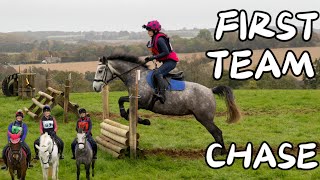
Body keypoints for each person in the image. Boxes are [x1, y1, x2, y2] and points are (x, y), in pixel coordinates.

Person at [142, 20, 180, 103]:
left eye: (149, 30)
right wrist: (151, 58)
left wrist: (153, 57)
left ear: (155, 30)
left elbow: (166, 52)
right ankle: (157, 91)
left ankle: (162, 95)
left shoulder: (159, 39)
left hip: (171, 61)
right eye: (148, 30)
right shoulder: (155, 38)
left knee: (158, 73)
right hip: (167, 61)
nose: (148, 32)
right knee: (154, 73)